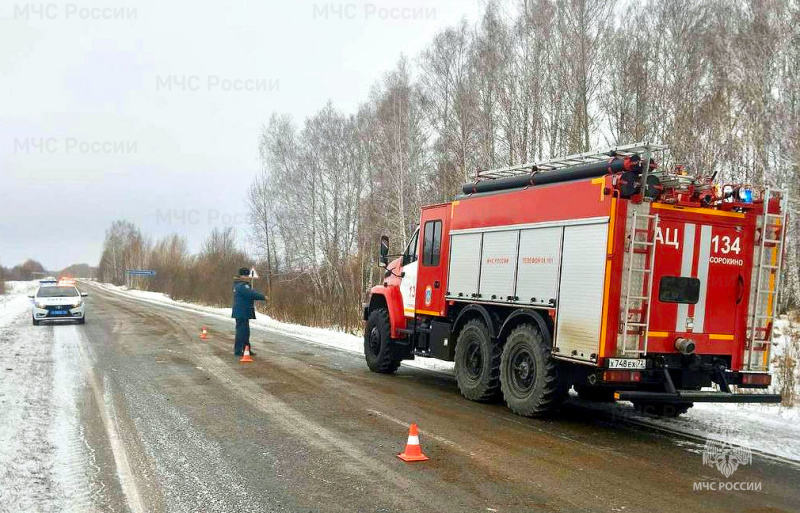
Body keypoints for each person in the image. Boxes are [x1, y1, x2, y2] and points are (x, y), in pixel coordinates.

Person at [231, 267, 266, 356]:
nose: (247, 277)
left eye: (248, 275)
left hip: (243, 311)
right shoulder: (241, 286)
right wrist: (263, 297)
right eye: (245, 275)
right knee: (241, 332)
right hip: (241, 312)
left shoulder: (240, 285)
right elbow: (251, 294)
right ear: (241, 276)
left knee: (245, 332)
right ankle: (238, 351)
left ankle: (246, 349)